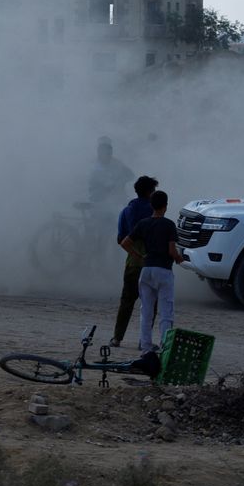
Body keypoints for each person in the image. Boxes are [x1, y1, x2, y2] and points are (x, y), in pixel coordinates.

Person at [120, 190, 184, 354]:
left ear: (151, 205)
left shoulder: (143, 223)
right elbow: (171, 250)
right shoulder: (169, 225)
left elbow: (125, 243)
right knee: (166, 312)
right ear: (166, 206)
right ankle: (165, 346)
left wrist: (139, 257)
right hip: (164, 271)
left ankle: (146, 346)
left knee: (146, 311)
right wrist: (179, 258)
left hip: (146, 270)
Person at [111, 175, 159, 348]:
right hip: (151, 265)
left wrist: (135, 253)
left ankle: (117, 338)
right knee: (150, 304)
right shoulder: (154, 211)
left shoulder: (126, 211)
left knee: (126, 302)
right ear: (149, 192)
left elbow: (120, 238)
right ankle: (143, 342)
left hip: (132, 264)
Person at [88, 136, 135, 208]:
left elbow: (131, 175)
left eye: (109, 150)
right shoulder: (93, 165)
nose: (107, 153)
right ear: (99, 151)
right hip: (99, 200)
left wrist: (121, 181)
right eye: (103, 150)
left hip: (117, 200)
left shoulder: (117, 163)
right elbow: (93, 184)